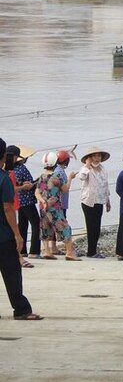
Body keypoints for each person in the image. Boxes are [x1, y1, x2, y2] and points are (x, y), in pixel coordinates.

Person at [0, 137, 42, 321]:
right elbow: (8, 208)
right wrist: (17, 234)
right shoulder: (4, 179)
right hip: (3, 236)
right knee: (12, 272)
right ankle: (21, 309)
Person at [34, 152, 80, 261]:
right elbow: (65, 189)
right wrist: (70, 178)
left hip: (43, 208)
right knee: (65, 228)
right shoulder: (57, 176)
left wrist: (43, 201)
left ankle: (47, 251)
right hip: (55, 207)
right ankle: (69, 253)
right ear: (55, 162)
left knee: (45, 228)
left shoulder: (41, 176)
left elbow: (37, 192)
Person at [78, 147, 111, 258]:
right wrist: (87, 165)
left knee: (97, 227)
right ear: (90, 158)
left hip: (100, 201)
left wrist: (107, 201)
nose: (97, 158)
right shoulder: (86, 169)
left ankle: (94, 250)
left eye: (99, 156)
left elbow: (105, 185)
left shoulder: (102, 169)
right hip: (88, 201)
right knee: (91, 226)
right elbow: (81, 177)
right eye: (94, 156)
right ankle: (91, 251)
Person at [8, 146, 39, 259]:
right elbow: (30, 184)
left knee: (22, 225)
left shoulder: (10, 170)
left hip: (18, 201)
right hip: (27, 200)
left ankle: (22, 251)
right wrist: (37, 182)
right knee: (36, 224)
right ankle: (34, 251)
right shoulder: (22, 168)